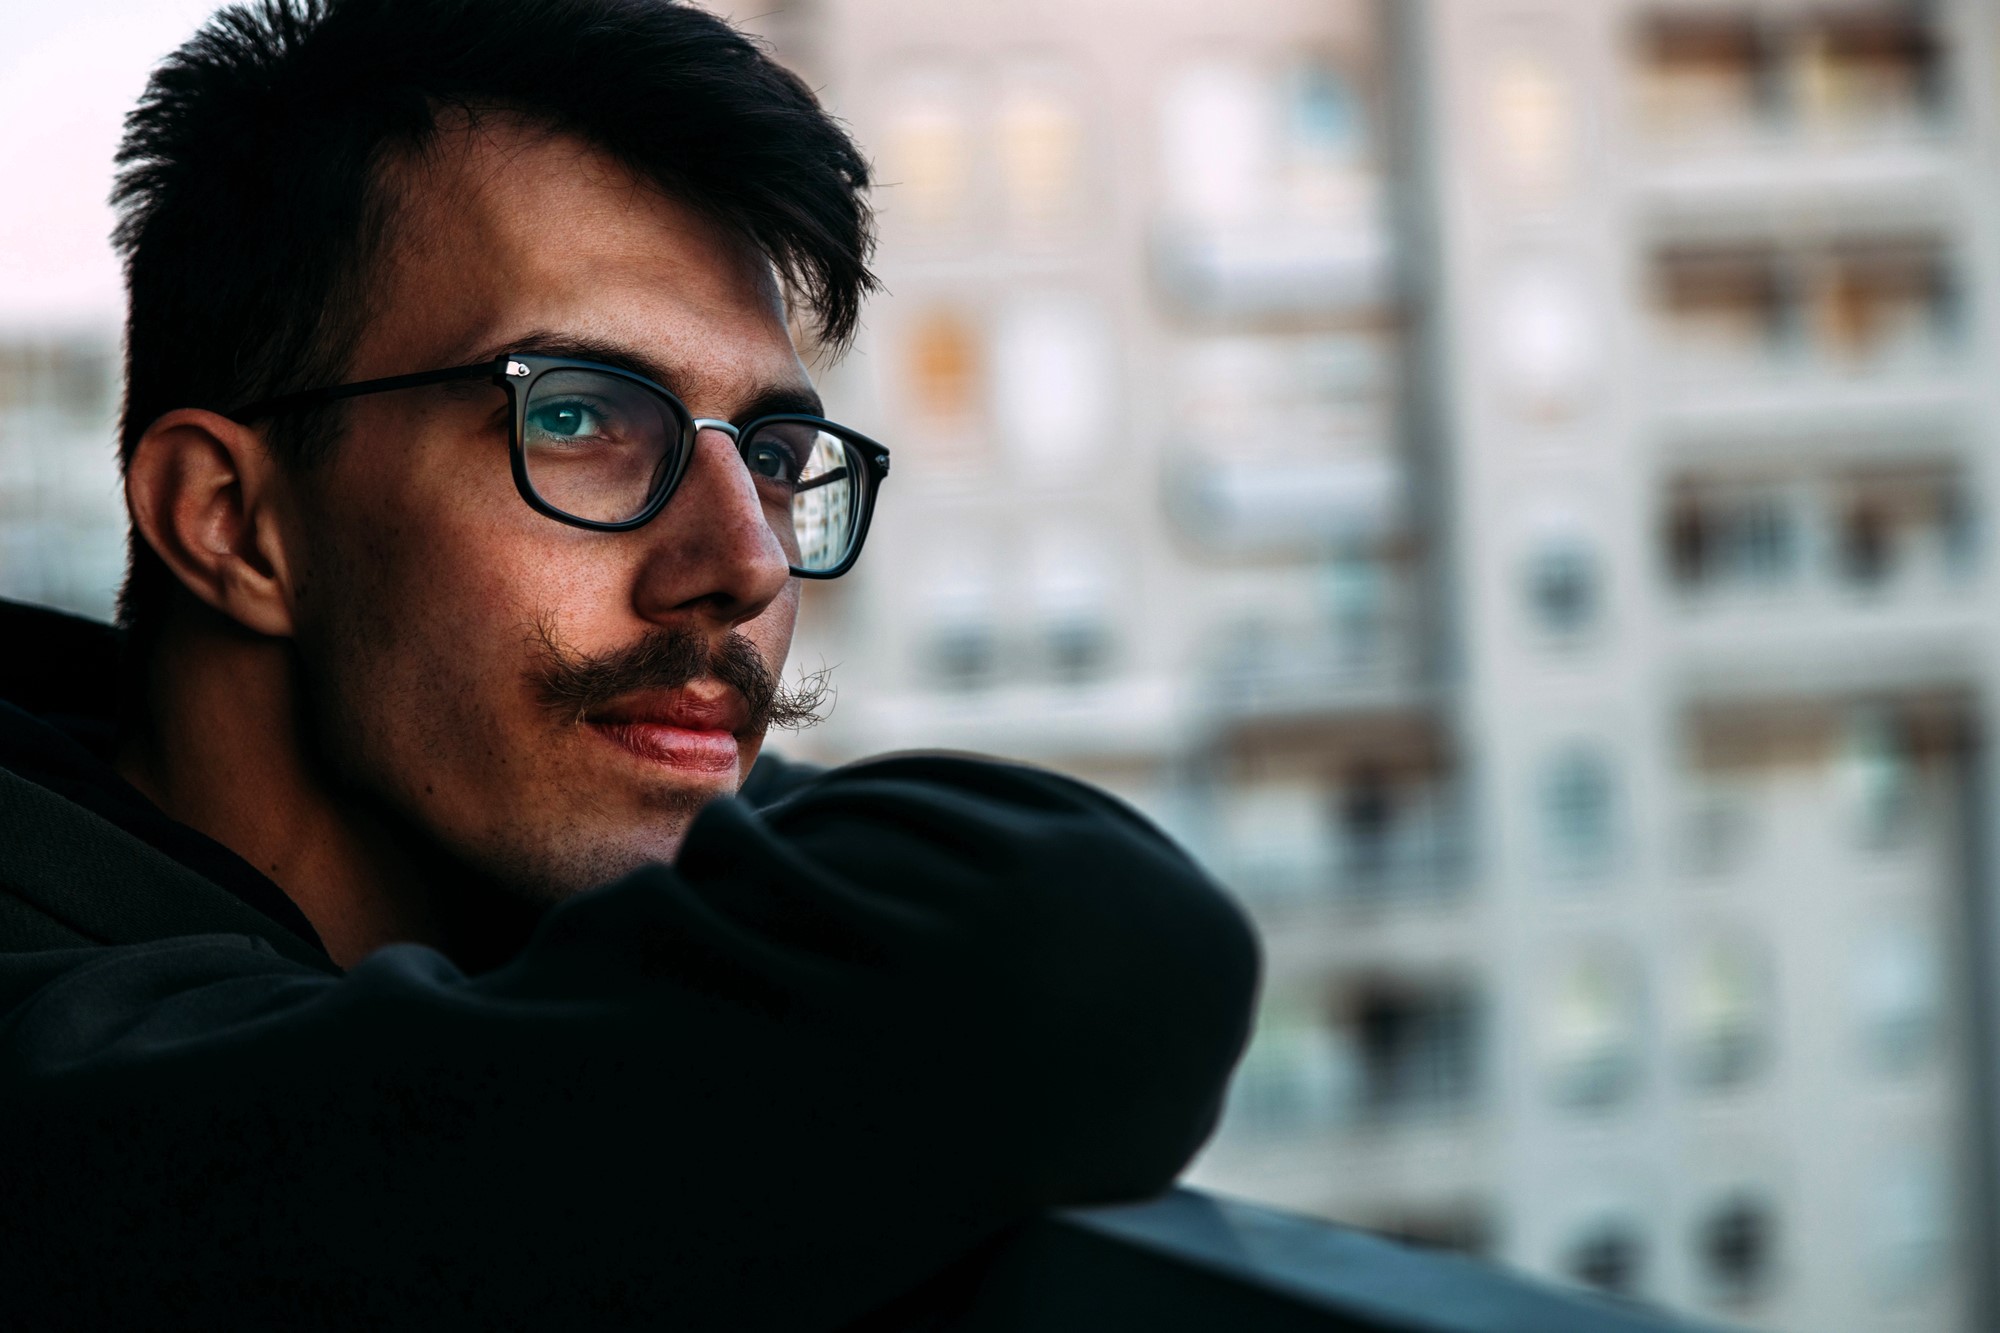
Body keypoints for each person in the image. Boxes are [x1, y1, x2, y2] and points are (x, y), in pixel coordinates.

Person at [0, 0, 1259, 1326]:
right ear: (231, 522)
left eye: (771, 456)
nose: (747, 559)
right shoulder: (66, 1086)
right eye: (579, 415)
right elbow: (1078, 950)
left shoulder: (492, 946)